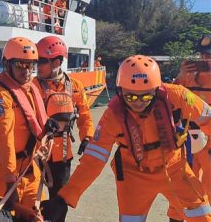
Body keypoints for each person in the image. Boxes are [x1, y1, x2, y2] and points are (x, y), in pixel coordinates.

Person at [41, 55, 211, 222]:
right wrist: (65, 197)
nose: (138, 102)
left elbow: (207, 118)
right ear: (120, 92)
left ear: (156, 90)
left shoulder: (178, 95)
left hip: (174, 168)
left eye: (145, 96)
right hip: (134, 175)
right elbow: (93, 160)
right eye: (131, 97)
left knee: (202, 215)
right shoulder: (113, 115)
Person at [0, 37, 52, 221]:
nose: (27, 71)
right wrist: (9, 181)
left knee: (35, 217)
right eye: (21, 64)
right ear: (7, 65)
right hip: (3, 177)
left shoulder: (31, 90)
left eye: (31, 65)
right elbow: (5, 140)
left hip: (29, 171)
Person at [33, 36, 94, 221]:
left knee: (60, 204)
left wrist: (87, 137)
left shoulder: (74, 87)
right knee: (32, 202)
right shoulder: (32, 86)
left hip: (62, 158)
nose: (38, 66)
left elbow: (84, 115)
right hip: (37, 156)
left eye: (42, 61)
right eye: (37, 61)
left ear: (57, 62)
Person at [168, 34, 211, 222]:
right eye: (202, 55)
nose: (204, 59)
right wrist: (181, 74)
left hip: (209, 140)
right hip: (187, 138)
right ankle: (176, 217)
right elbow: (170, 97)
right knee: (181, 181)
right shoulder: (188, 77)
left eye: (208, 56)